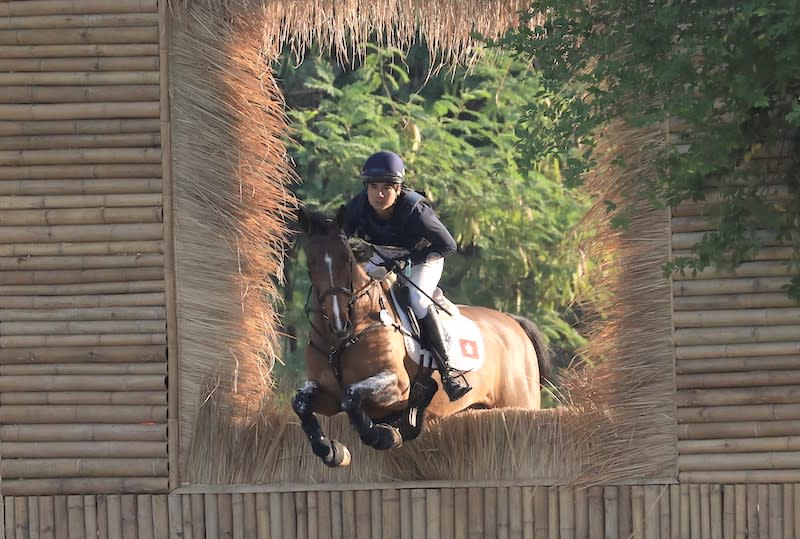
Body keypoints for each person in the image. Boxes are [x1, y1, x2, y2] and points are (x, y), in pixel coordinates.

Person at [341, 150, 471, 401]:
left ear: (398, 188)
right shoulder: (358, 206)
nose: (379, 194)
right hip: (382, 256)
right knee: (355, 293)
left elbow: (448, 245)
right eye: (373, 187)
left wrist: (407, 261)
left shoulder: (415, 210)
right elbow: (340, 238)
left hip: (422, 258)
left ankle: (448, 373)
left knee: (418, 300)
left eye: (386, 188)